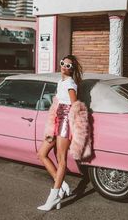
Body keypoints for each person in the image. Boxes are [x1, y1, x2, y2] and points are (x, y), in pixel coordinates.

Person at [37, 55, 92, 212]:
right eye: (62, 63)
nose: (64, 66)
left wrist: (75, 128)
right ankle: (61, 183)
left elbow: (75, 106)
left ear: (72, 69)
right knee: (41, 154)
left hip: (65, 121)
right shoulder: (60, 81)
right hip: (56, 118)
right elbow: (58, 103)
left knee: (61, 159)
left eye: (68, 65)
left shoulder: (70, 84)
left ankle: (54, 197)